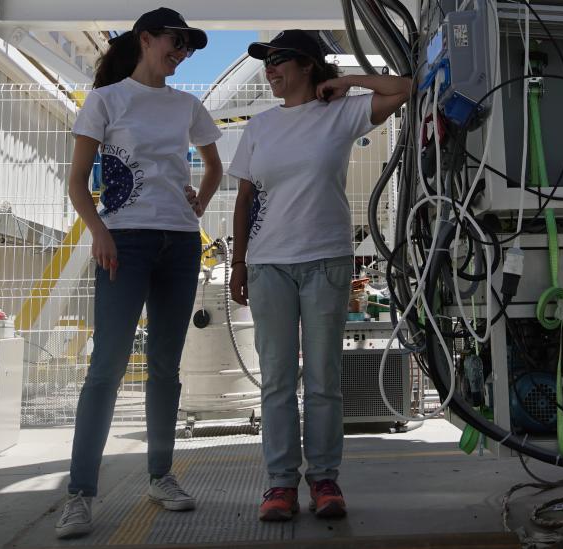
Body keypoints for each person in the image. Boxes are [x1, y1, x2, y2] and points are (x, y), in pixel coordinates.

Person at [227, 29, 412, 522]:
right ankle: (281, 484)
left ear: (308, 65)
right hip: (268, 266)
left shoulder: (342, 112)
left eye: (278, 61)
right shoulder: (259, 127)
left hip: (327, 262)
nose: (269, 70)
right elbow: (244, 200)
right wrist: (239, 262)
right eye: (265, 63)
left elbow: (407, 87)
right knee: (278, 381)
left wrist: (347, 79)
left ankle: (325, 479)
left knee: (325, 378)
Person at [55, 7, 222, 539]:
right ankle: (80, 493)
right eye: (175, 42)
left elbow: (213, 167)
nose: (181, 53)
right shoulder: (106, 100)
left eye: (188, 47)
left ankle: (160, 475)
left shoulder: (187, 106)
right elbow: (78, 182)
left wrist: (198, 205)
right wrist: (99, 231)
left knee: (165, 366)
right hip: (122, 243)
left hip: (179, 242)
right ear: (146, 38)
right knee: (106, 366)